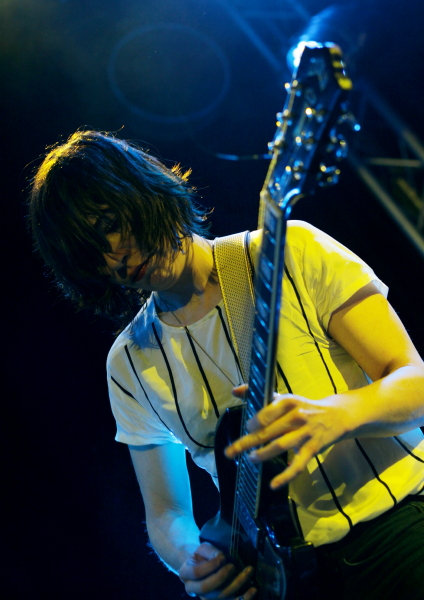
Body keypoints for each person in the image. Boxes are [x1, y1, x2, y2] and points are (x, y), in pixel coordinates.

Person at [29, 129, 424, 600]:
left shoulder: (290, 252)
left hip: (399, 532)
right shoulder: (129, 364)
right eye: (91, 255)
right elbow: (167, 515)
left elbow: (415, 381)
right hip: (286, 582)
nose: (114, 258)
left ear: (142, 190)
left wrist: (340, 415)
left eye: (110, 225)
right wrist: (192, 561)